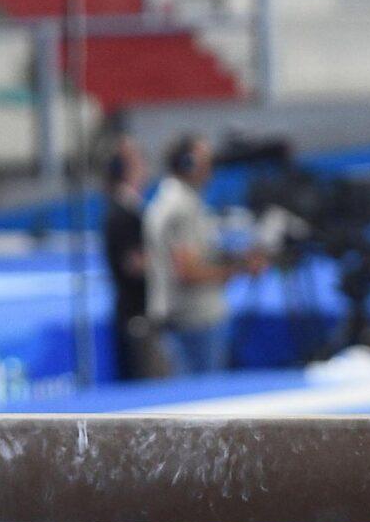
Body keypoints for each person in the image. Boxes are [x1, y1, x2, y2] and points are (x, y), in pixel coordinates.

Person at [142, 134, 267, 376]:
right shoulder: (180, 206)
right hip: (195, 319)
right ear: (188, 163)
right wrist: (240, 268)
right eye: (205, 161)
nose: (211, 168)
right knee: (200, 402)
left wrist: (236, 259)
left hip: (188, 318)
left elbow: (198, 256)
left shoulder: (175, 200)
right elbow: (187, 270)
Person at [102, 136, 155, 380]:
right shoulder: (122, 214)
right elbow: (133, 265)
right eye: (138, 161)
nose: (145, 167)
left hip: (139, 312)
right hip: (136, 314)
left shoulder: (131, 209)